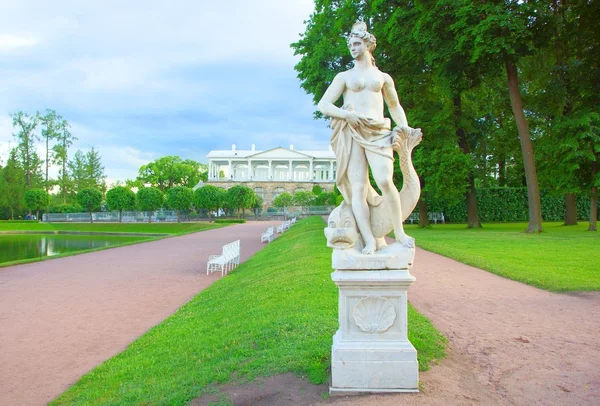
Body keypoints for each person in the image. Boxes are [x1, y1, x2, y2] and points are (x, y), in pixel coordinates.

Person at [318, 21, 420, 254]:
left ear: (368, 45)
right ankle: (369, 239)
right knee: (358, 188)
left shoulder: (383, 77)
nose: (352, 48)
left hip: (379, 132)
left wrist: (403, 128)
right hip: (352, 132)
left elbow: (394, 105)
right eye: (350, 44)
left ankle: (399, 231)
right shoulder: (344, 76)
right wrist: (346, 115)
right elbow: (324, 104)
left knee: (385, 181)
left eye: (356, 43)